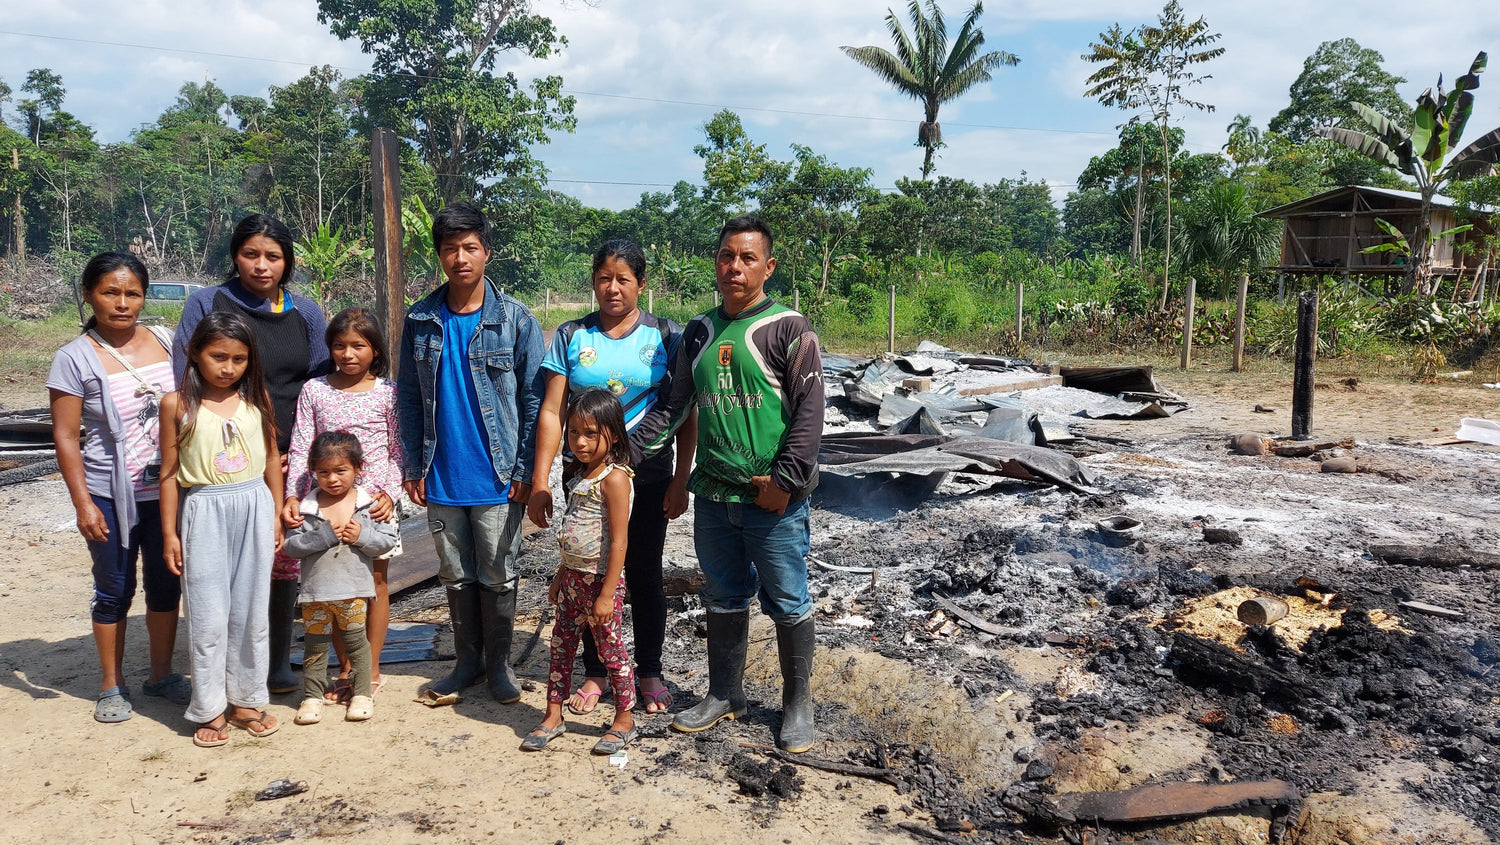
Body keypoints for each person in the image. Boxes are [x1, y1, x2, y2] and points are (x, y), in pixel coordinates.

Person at [637, 217, 824, 753]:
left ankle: (797, 705)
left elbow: (810, 414)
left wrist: (786, 482)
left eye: (746, 259)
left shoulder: (790, 328)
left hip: (773, 501)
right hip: (715, 498)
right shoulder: (698, 331)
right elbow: (674, 409)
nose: (734, 268)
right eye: (725, 256)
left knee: (788, 600)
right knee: (722, 594)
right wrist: (623, 452)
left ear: (768, 266)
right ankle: (725, 694)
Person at [172, 214, 356, 696]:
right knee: (222, 569)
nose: (261, 265)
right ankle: (220, 674)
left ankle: (275, 661)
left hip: (293, 457)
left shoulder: (306, 313)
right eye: (251, 254)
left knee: (282, 559)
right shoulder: (206, 303)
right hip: (225, 459)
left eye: (272, 256)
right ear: (235, 256)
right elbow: (183, 380)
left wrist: (305, 455)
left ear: (287, 261)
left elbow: (320, 385)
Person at [527, 240, 695, 716]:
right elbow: (553, 410)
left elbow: (684, 410)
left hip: (648, 472)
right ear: (593, 281)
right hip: (582, 473)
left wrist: (682, 475)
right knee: (585, 571)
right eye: (604, 278)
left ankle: (648, 671)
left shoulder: (665, 336)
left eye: (624, 279)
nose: (613, 288)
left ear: (642, 284)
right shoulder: (572, 335)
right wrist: (541, 479)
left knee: (642, 570)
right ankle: (597, 671)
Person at [396, 201, 544, 705]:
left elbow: (534, 400)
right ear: (439, 255)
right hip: (442, 475)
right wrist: (414, 465)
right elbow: (410, 399)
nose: (461, 258)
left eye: (470, 247)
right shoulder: (420, 319)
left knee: (498, 572)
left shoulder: (516, 320)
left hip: (499, 477)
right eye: (450, 249)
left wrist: (526, 468)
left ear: (487, 251)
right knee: (455, 574)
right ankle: (467, 663)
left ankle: (499, 666)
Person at [48, 252, 189, 723]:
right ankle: (111, 684)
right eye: (111, 292)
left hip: (168, 491)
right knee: (114, 588)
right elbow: (66, 436)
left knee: (167, 585)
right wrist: (83, 503)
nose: (123, 303)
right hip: (110, 493)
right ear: (89, 294)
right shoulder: (73, 358)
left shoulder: (167, 341)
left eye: (132, 293)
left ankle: (162, 674)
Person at [160, 311, 284, 747]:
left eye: (239, 359)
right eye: (218, 356)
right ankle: (210, 708)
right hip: (204, 511)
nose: (228, 367)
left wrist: (273, 512)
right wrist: (171, 534)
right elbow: (170, 474)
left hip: (254, 505)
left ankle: (247, 699)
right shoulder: (177, 405)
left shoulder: (257, 402)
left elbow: (271, 458)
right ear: (195, 353)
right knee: (208, 615)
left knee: (251, 611)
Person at [282, 308, 403, 700]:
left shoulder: (389, 392)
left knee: (375, 584)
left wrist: (389, 495)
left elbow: (398, 449)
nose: (348, 354)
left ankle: (370, 669)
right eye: (339, 345)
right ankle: (347, 668)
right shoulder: (315, 390)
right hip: (325, 504)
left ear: (375, 349)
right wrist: (293, 496)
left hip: (373, 506)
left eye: (358, 345)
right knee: (333, 588)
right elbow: (301, 445)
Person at [522, 389, 637, 752]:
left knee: (611, 650)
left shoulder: (615, 479)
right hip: (572, 580)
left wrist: (606, 594)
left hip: (600, 583)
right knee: (560, 647)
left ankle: (624, 719)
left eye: (591, 433)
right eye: (573, 433)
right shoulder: (582, 475)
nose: (580, 442)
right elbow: (573, 533)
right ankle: (553, 715)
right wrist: (560, 576)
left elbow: (618, 542)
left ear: (613, 434)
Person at [282, 431, 399, 725]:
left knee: (357, 644)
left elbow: (386, 542)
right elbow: (291, 546)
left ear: (358, 469)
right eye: (323, 472)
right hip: (315, 594)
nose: (332, 479)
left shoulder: (367, 505)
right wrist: (320, 537)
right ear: (313, 472)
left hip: (355, 591)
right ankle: (312, 696)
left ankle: (362, 694)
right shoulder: (306, 508)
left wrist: (363, 536)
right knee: (315, 645)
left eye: (341, 470)